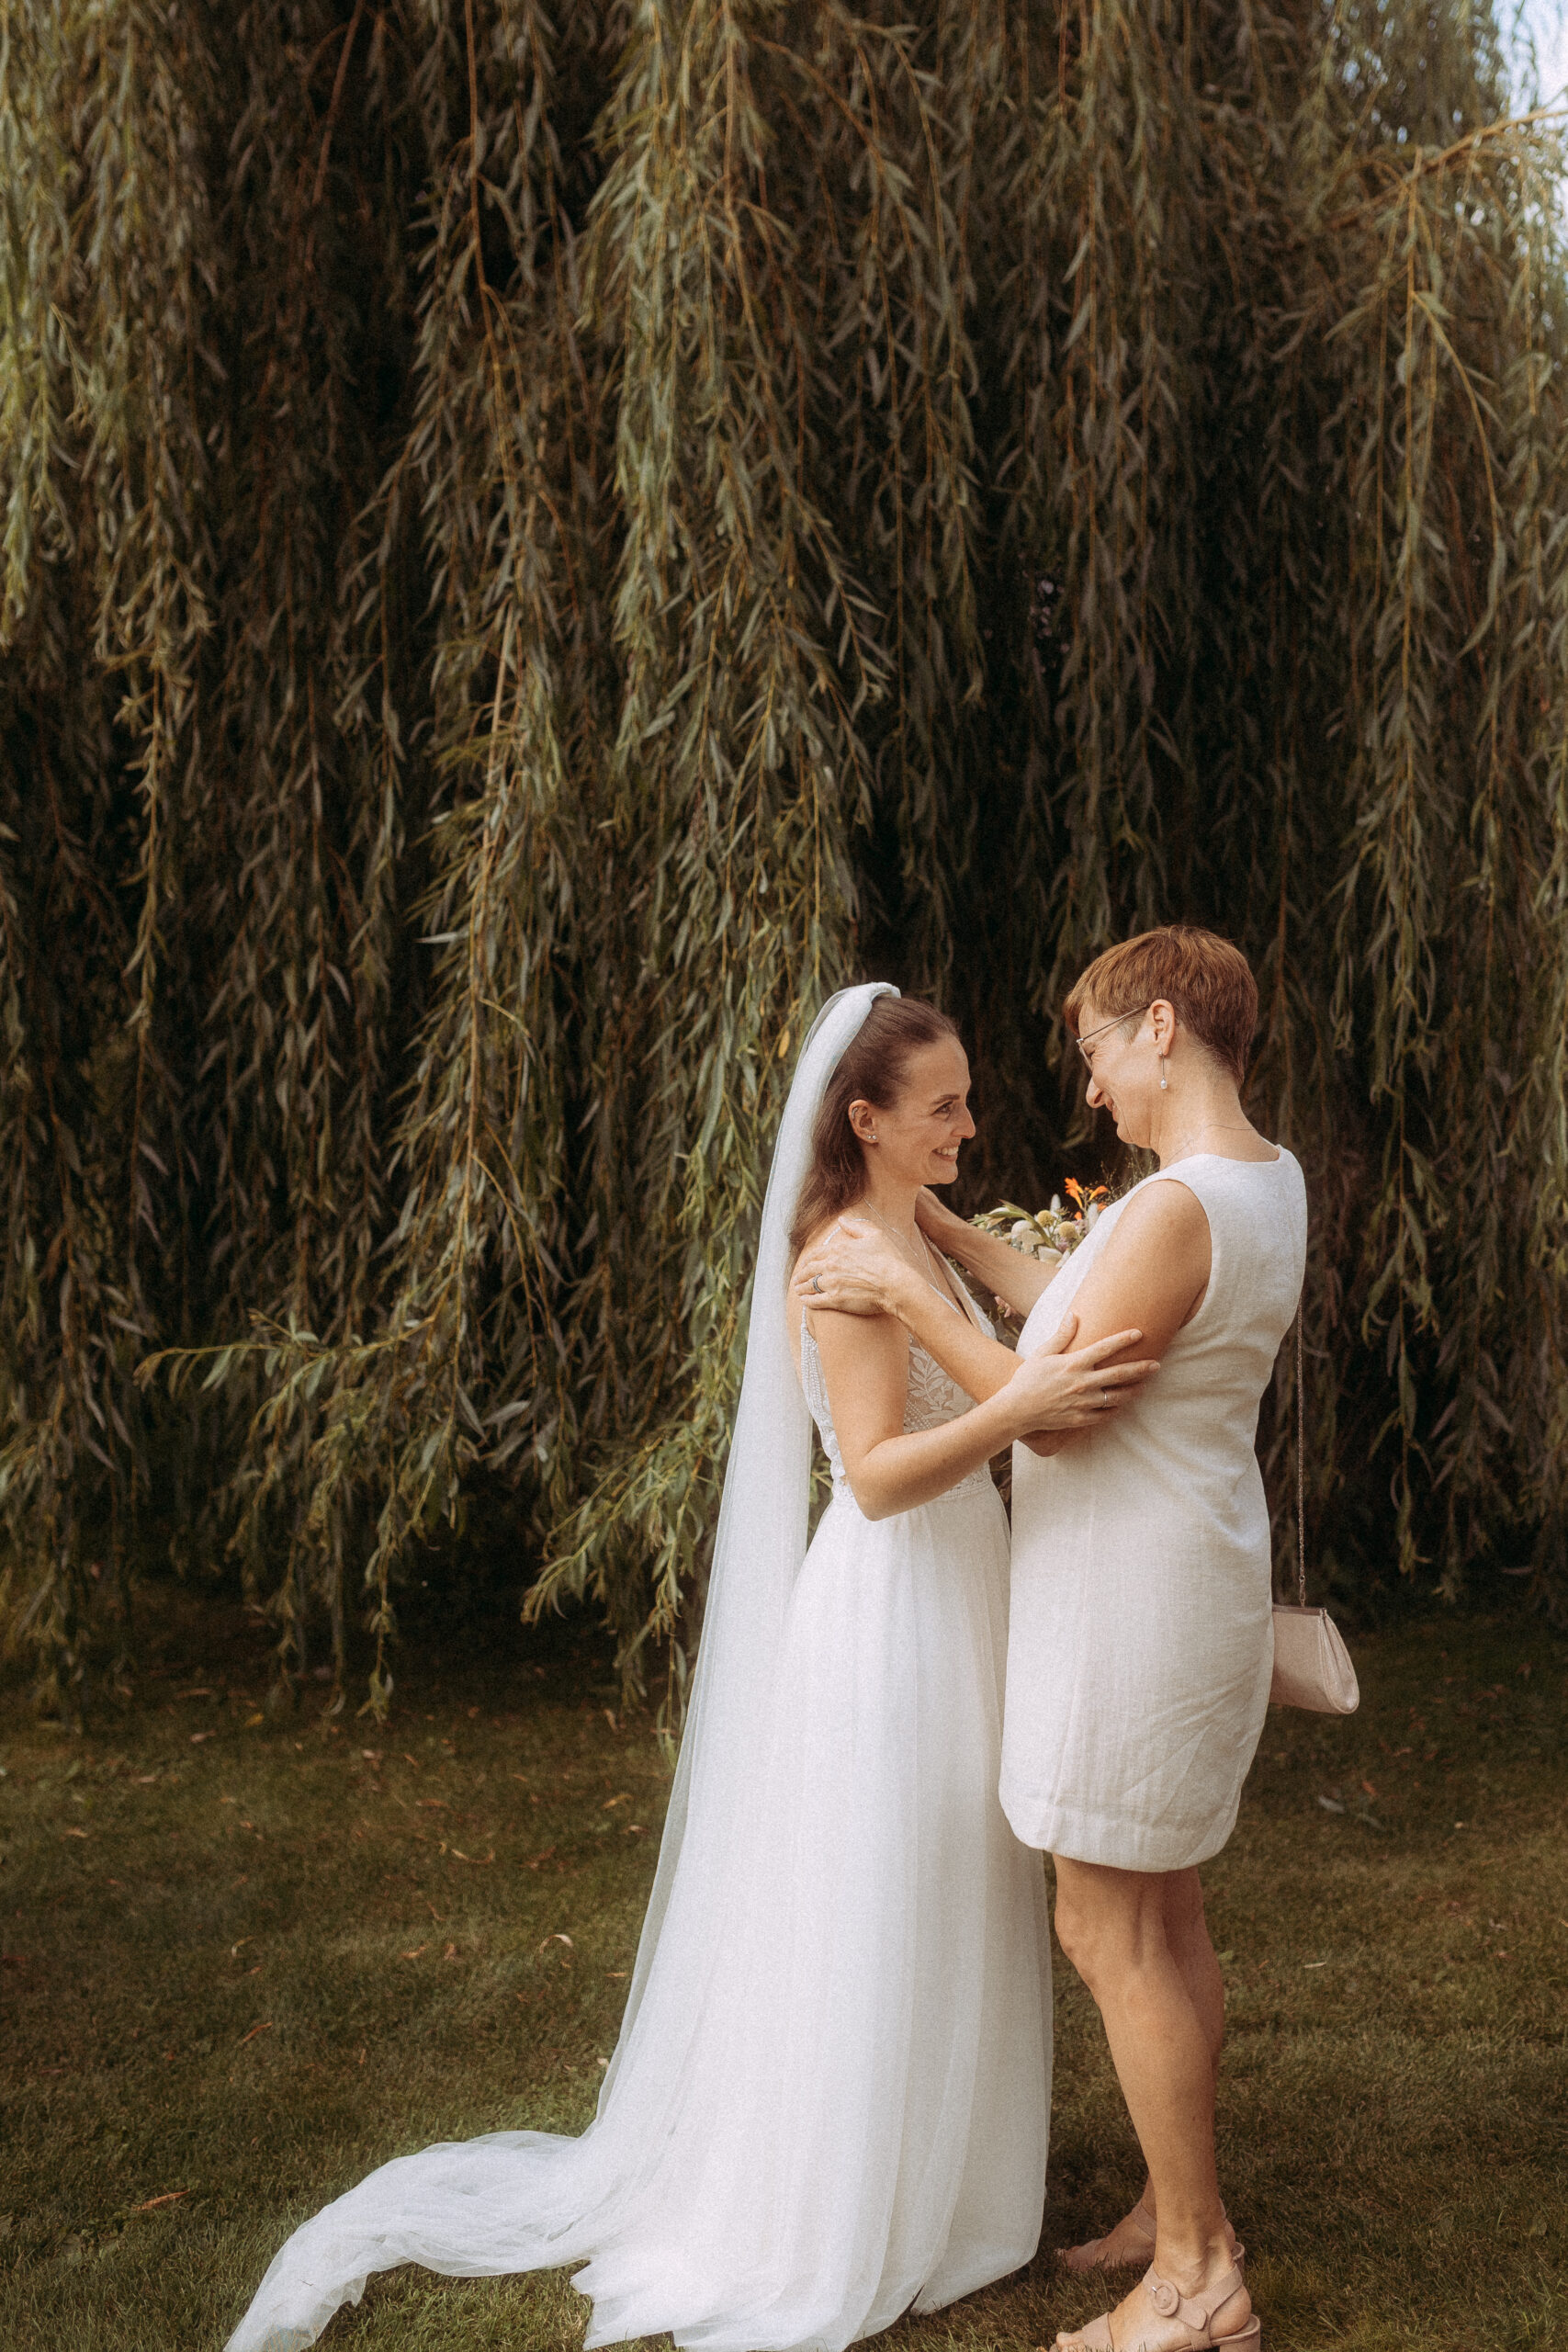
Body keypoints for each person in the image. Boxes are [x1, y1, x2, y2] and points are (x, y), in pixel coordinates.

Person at [221, 982, 1157, 2352]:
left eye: (966, 1102)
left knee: (949, 1883)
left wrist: (953, 1241)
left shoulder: (908, 1229)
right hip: (895, 1600)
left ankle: (947, 2181)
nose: (971, 1124)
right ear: (865, 1119)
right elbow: (876, 1475)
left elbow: (993, 1314)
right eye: (945, 1107)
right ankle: (844, 2205)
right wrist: (1020, 1409)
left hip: (957, 1593)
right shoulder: (845, 1260)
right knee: (884, 1893)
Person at [794, 928, 1306, 2352]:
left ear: (1161, 1029)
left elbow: (1060, 1406)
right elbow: (1078, 1318)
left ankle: (1194, 2279)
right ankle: (1178, 2207)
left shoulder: (1175, 1206)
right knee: (1167, 1918)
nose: (1089, 1087)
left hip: (1128, 1603)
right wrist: (953, 1245)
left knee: (1107, 1925)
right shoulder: (1263, 1180)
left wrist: (912, 1294)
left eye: (1094, 1050)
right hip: (1179, 1574)